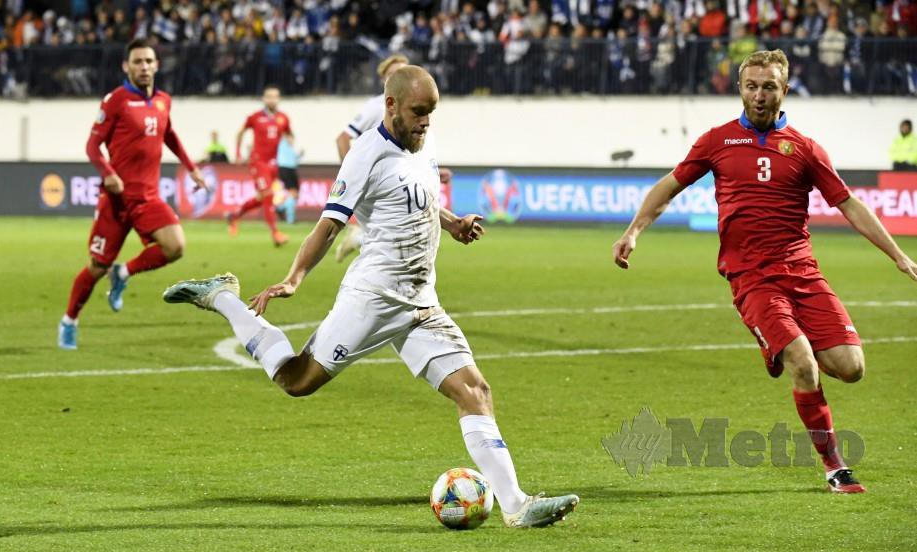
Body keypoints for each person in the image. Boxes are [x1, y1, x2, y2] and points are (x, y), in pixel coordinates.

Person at [163, 66, 579, 527]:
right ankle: (223, 297)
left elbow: (419, 197)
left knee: (475, 390)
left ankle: (516, 505)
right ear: (391, 106)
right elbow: (329, 224)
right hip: (373, 300)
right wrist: (295, 277)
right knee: (296, 380)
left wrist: (452, 221)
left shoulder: (425, 142)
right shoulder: (366, 155)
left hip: (421, 302)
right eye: (418, 112)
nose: (425, 121)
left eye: (431, 113)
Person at [611, 50, 917, 494]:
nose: (759, 95)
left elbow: (849, 205)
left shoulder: (806, 149)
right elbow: (670, 185)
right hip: (751, 277)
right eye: (751, 86)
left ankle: (776, 342)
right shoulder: (717, 141)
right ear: (740, 89)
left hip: (803, 273)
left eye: (768, 86)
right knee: (803, 363)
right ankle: (834, 466)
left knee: (851, 368)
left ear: (784, 90)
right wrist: (634, 230)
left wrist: (899, 255)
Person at [58, 38, 206, 350]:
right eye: (137, 62)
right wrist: (108, 174)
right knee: (96, 267)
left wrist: (191, 167)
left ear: (157, 65)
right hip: (116, 201)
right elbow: (91, 145)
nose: (144, 67)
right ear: (127, 66)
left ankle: (124, 272)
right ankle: (69, 320)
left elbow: (169, 134)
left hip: (148, 197)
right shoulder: (116, 100)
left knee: (175, 246)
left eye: (149, 61)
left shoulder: (164, 100)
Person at [332, 54, 410, 262]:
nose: (399, 78)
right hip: (383, 176)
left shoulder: (412, 107)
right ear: (384, 80)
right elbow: (342, 138)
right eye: (393, 74)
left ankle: (358, 237)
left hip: (402, 174)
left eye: (404, 72)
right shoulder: (377, 106)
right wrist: (351, 170)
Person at [228, 85, 293, 246]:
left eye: (275, 96)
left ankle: (234, 216)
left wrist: (290, 140)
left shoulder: (283, 118)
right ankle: (275, 234)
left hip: (273, 164)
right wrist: (237, 152)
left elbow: (289, 134)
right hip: (258, 162)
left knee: (262, 198)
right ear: (264, 99)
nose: (272, 99)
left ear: (279, 99)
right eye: (269, 96)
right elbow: (240, 132)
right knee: (268, 195)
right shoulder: (255, 117)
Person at [275, 135, 302, 224]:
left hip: (290, 169)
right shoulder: (282, 142)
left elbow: (294, 159)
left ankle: (281, 208)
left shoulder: (291, 149)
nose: (292, 140)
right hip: (286, 169)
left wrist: (299, 155)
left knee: (295, 194)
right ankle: (290, 219)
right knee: (293, 193)